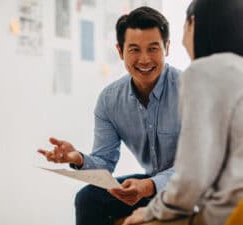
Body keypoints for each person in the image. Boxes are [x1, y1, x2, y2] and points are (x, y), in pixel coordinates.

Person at [38, 6, 181, 225]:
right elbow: (104, 164)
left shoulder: (192, 91)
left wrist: (149, 185)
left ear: (167, 48)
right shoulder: (110, 100)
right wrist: (77, 158)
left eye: (153, 48)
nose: (144, 59)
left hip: (194, 187)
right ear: (120, 50)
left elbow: (198, 167)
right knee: (88, 199)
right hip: (155, 187)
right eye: (134, 49)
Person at [122, 0, 243, 225]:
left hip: (231, 213)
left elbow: (192, 178)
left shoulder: (203, 72)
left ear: (193, 23)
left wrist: (150, 213)